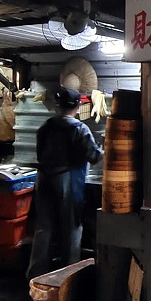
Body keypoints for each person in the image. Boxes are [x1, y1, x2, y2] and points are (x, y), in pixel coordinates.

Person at [27, 87, 103, 280]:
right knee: (72, 228)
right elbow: (94, 157)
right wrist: (106, 149)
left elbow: (40, 154)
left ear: (56, 105)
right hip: (67, 182)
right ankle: (68, 278)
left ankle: (36, 276)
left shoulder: (45, 127)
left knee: (43, 228)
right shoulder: (79, 128)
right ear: (78, 106)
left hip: (44, 179)